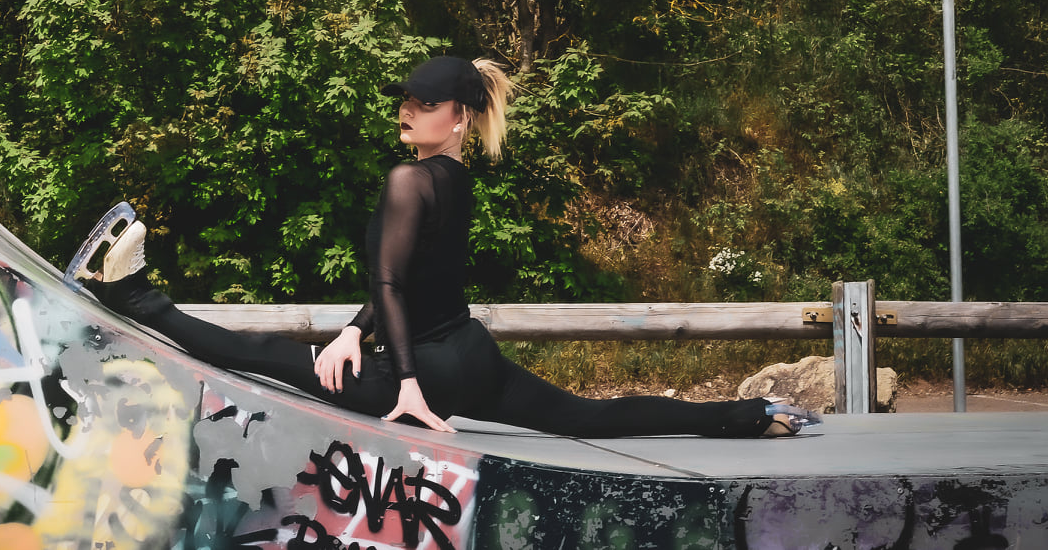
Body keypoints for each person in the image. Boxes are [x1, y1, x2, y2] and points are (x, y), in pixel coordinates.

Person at [75, 55, 820, 438]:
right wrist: (352, 331)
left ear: (458, 117)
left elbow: (392, 285)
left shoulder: (408, 181)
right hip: (470, 357)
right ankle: (747, 415)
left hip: (424, 373)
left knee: (256, 352)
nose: (407, 111)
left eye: (423, 104)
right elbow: (411, 280)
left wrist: (404, 385)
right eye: (405, 101)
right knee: (587, 417)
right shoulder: (455, 180)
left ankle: (131, 294)